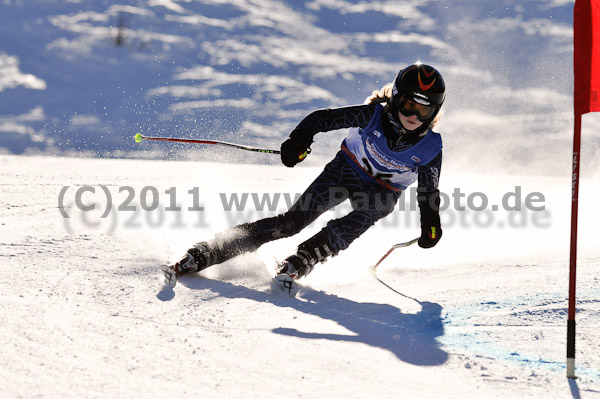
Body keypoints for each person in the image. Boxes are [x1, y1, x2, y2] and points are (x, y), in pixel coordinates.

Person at [163, 63, 445, 294]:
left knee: (370, 211)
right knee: (291, 222)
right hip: (344, 171)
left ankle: (305, 257)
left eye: (424, 110)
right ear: (395, 98)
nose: (413, 115)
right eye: (408, 104)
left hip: (381, 190)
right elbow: (320, 119)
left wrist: (430, 221)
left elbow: (429, 192)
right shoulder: (372, 115)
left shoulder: (431, 147)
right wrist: (298, 141)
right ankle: (211, 250)